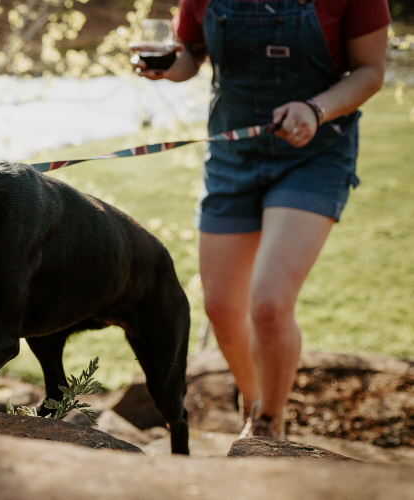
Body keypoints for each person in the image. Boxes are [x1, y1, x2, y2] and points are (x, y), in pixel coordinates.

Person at [133, 0, 390, 438]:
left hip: (316, 152)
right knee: (221, 308)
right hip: (233, 155)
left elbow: (370, 71)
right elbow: (190, 53)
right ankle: (253, 401)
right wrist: (167, 66)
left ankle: (269, 422)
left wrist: (316, 108)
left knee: (269, 305)